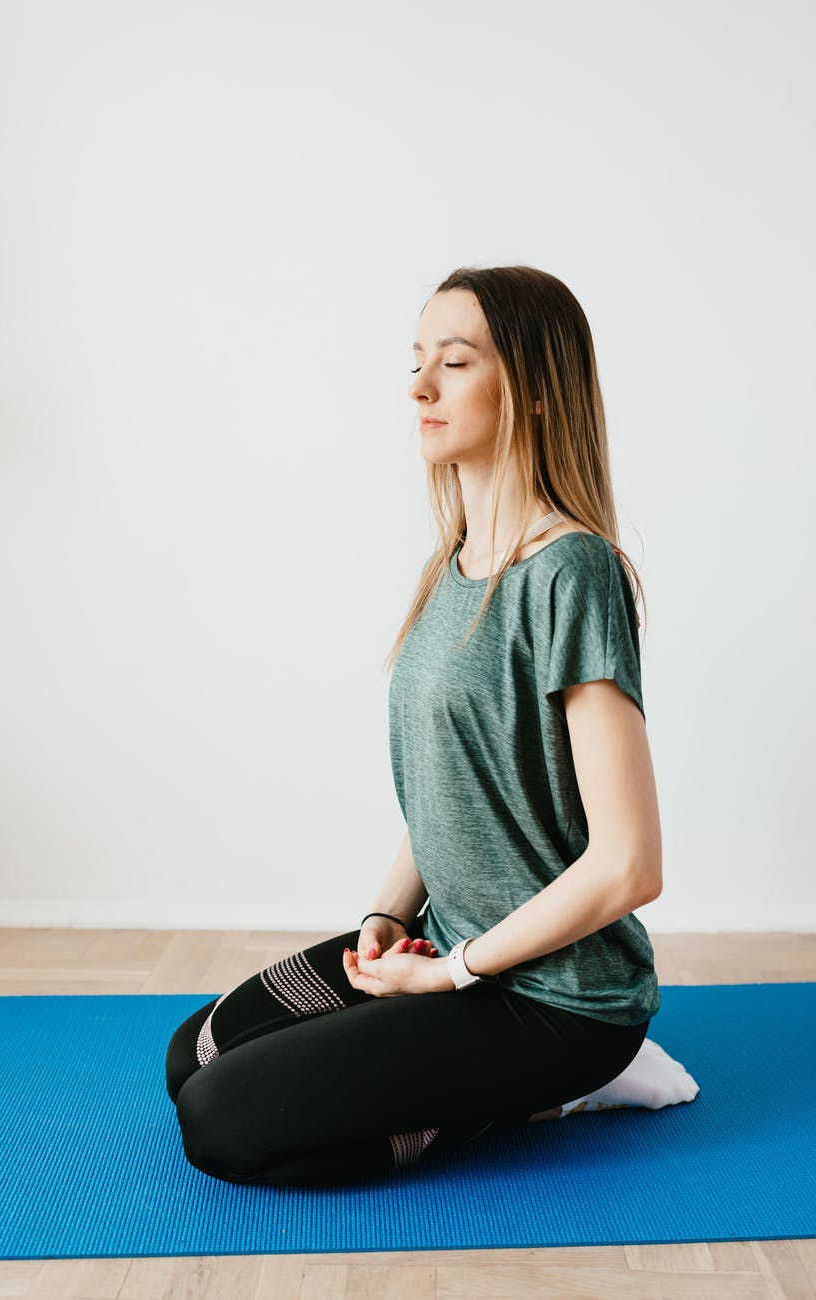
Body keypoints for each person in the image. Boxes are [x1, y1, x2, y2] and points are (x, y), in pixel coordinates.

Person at [165, 264, 663, 1188]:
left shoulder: (572, 573)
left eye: (456, 362)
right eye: (417, 361)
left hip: (556, 999)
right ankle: (468, 1066)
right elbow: (453, 785)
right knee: (194, 1055)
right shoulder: (450, 567)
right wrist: (385, 917)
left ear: (538, 390)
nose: (419, 387)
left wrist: (452, 974)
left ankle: (555, 1090)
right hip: (449, 944)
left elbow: (629, 864)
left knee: (221, 1121)